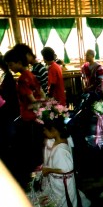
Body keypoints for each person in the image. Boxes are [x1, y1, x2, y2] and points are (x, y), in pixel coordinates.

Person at [37, 101, 91, 207]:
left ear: (54, 130)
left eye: (45, 130)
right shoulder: (60, 142)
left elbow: (67, 169)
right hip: (59, 185)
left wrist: (49, 170)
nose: (44, 133)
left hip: (63, 187)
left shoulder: (60, 150)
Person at [4, 48, 44, 188]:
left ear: (19, 62)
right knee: (37, 151)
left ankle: (34, 183)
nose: (10, 68)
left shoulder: (23, 79)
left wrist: (28, 107)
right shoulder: (31, 75)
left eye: (11, 64)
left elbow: (33, 101)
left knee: (31, 153)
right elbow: (42, 96)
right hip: (36, 119)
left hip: (29, 120)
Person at [0, 56, 20, 169]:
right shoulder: (6, 75)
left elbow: (9, 94)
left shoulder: (7, 76)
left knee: (10, 133)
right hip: (7, 107)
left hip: (8, 108)